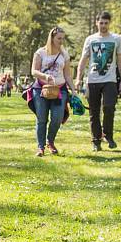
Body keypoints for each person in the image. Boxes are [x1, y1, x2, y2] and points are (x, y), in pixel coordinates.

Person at [75, 12, 121, 151]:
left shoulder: (116, 39)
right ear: (96, 23)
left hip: (110, 80)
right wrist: (79, 78)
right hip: (93, 80)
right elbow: (83, 60)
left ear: (109, 23)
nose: (103, 25)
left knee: (109, 107)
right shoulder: (90, 39)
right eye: (101, 23)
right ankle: (96, 140)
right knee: (94, 111)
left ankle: (108, 135)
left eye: (106, 23)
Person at [30, 26, 74, 157]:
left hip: (60, 89)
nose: (61, 41)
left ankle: (50, 141)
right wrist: (45, 77)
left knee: (57, 117)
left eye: (63, 38)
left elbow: (67, 75)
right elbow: (34, 71)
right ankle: (40, 147)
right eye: (59, 38)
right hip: (41, 89)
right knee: (42, 119)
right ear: (52, 37)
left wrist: (73, 89)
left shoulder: (64, 54)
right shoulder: (40, 52)